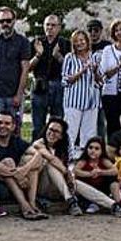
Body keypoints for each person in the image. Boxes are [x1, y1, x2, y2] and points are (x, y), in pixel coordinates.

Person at [0, 111, 44, 220]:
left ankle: (32, 203)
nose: (3, 126)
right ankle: (24, 206)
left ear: (13, 126)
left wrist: (24, 170)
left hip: (21, 185)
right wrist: (18, 176)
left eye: (7, 123)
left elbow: (39, 155)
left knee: (30, 160)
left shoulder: (17, 141)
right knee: (8, 161)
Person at [0, 7, 30, 130]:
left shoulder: (23, 42)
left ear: (14, 21)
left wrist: (19, 94)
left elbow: (25, 69)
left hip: (13, 93)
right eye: (2, 21)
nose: (5, 24)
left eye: (8, 21)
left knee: (14, 128)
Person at [28, 117, 83, 216]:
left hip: (59, 185)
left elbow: (71, 163)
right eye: (50, 129)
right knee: (50, 164)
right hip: (41, 186)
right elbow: (51, 158)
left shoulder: (63, 147)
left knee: (78, 184)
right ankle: (70, 200)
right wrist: (67, 173)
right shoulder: (39, 143)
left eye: (56, 131)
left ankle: (112, 204)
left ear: (61, 136)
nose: (52, 133)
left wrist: (71, 176)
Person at [29, 14, 71, 142]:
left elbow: (71, 68)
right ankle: (37, 150)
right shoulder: (37, 42)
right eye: (47, 25)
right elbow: (28, 67)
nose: (50, 28)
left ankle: (56, 150)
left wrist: (58, 56)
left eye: (53, 25)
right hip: (40, 85)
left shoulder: (65, 43)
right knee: (38, 124)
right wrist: (38, 54)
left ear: (59, 27)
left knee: (57, 122)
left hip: (59, 86)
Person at [62, 29, 103, 159]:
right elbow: (65, 80)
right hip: (74, 100)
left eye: (82, 40)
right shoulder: (70, 57)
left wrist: (95, 71)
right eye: (76, 41)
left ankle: (87, 159)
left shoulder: (95, 56)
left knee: (89, 133)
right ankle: (67, 157)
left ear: (87, 41)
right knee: (70, 131)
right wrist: (82, 70)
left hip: (91, 101)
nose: (79, 43)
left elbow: (100, 80)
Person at [73, 137, 121, 217]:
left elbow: (115, 171)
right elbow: (76, 171)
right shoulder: (84, 161)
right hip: (87, 190)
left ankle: (118, 203)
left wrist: (101, 172)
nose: (93, 151)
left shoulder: (103, 161)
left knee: (112, 179)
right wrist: (89, 174)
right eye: (90, 147)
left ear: (102, 151)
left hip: (101, 188)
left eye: (97, 148)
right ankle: (92, 204)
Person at [86, 19, 111, 140]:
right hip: (86, 86)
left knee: (100, 119)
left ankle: (101, 144)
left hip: (102, 85)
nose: (93, 33)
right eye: (90, 30)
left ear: (101, 31)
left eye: (96, 30)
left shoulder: (107, 46)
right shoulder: (83, 46)